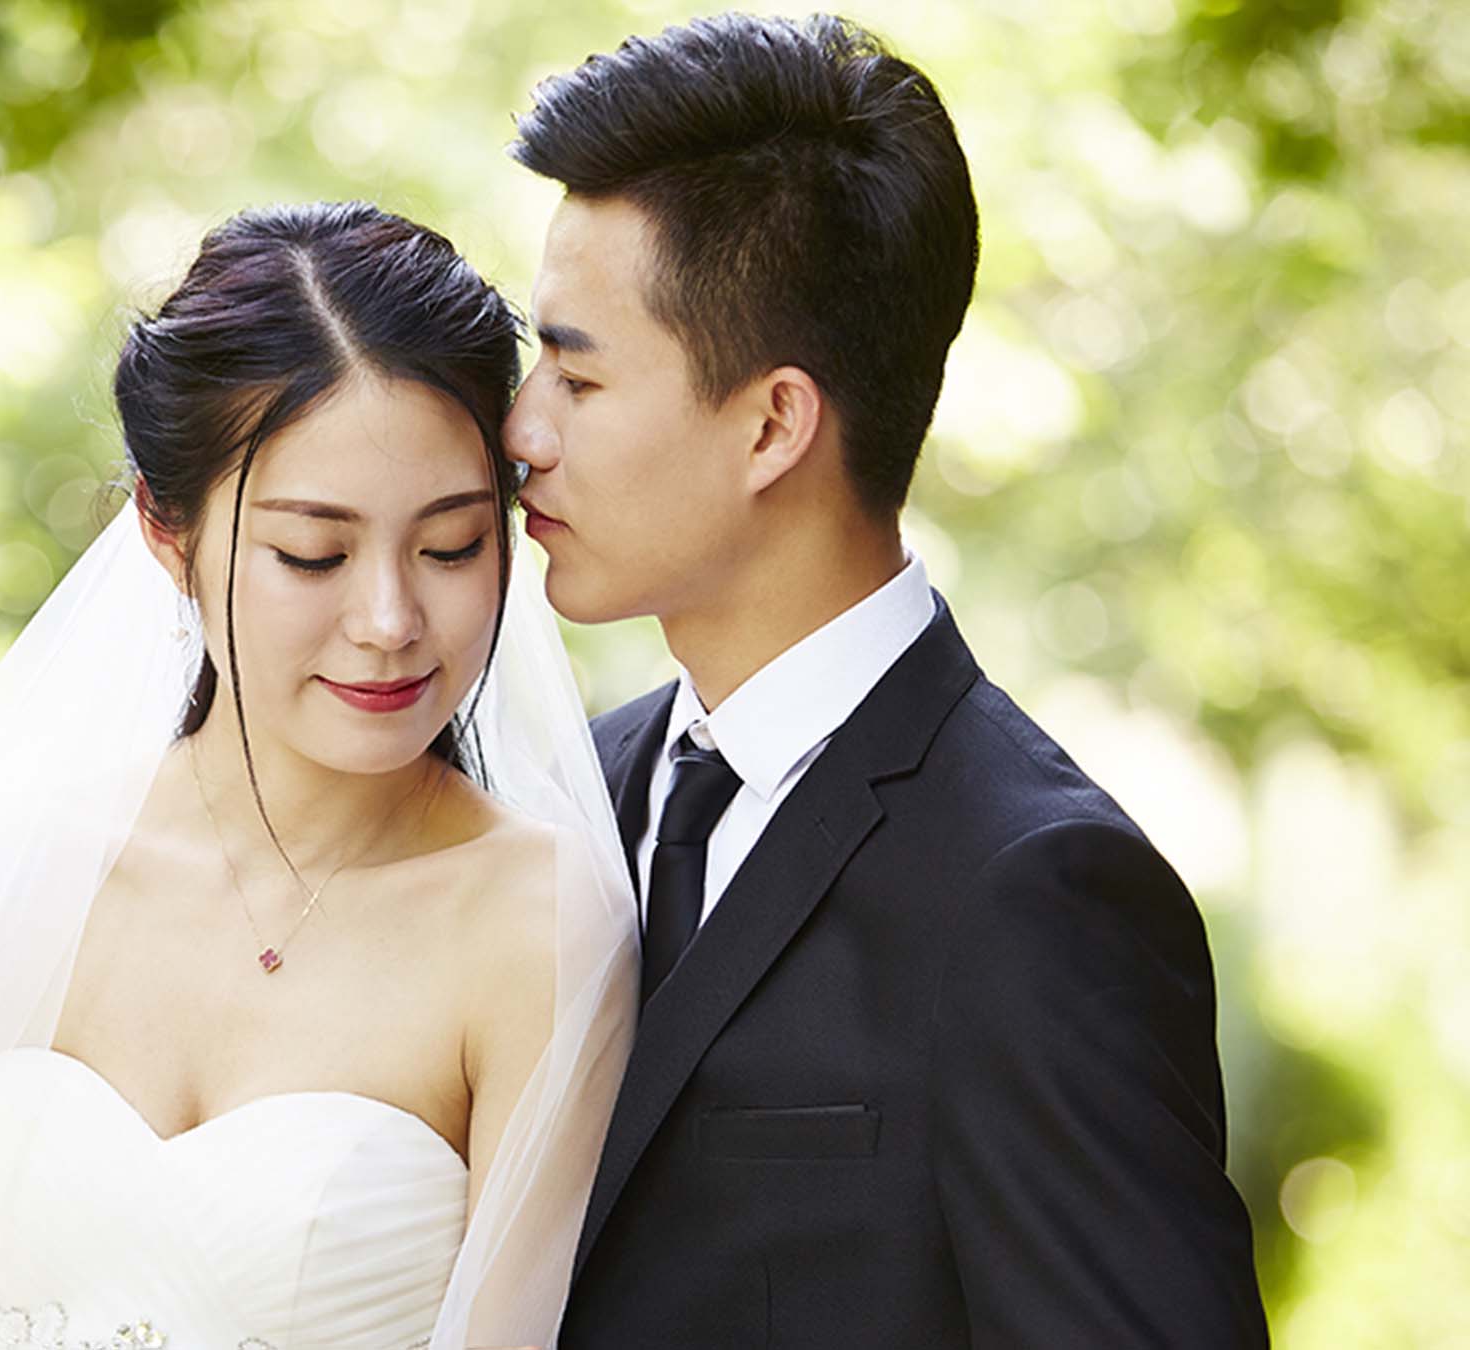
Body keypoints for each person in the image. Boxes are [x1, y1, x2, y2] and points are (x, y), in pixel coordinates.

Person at [0, 202, 639, 1350]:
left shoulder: (537, 925)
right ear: (164, 527)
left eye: (451, 545)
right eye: (313, 554)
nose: (391, 620)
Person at [503, 14, 1271, 1346]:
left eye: (575, 372)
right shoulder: (570, 785)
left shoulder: (1037, 894)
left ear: (773, 422)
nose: (520, 427)